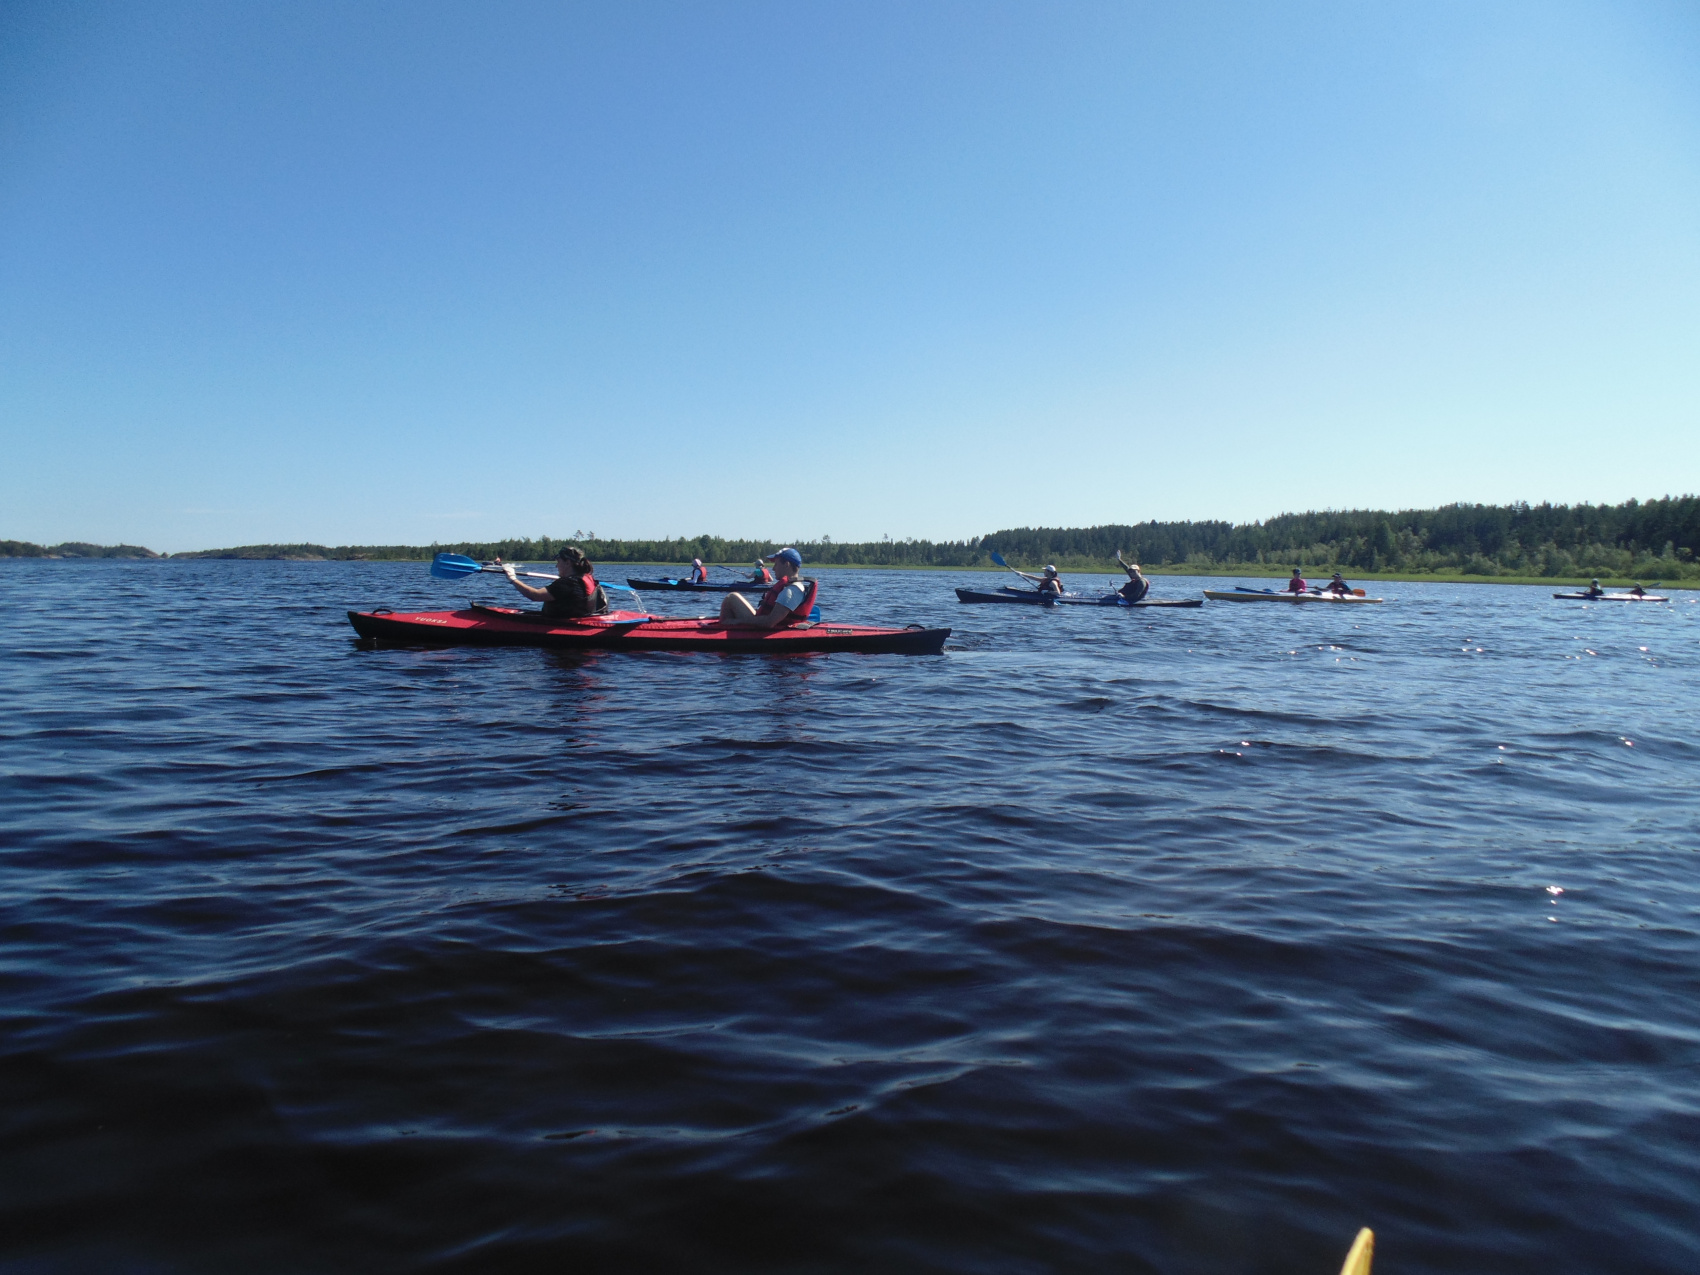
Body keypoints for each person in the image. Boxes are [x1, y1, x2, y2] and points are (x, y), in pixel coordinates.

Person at [497, 546, 608, 617]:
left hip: (564, 625)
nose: (556, 565)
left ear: (568, 563)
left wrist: (513, 579)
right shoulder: (585, 578)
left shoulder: (567, 584)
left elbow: (534, 595)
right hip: (578, 617)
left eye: (558, 561)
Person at [720, 547, 812, 628]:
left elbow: (769, 622)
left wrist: (738, 621)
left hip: (762, 628)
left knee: (731, 598)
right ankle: (725, 623)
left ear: (786, 564)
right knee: (733, 597)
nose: (773, 568)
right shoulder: (795, 586)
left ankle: (723, 626)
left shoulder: (790, 592)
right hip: (764, 619)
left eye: (776, 564)